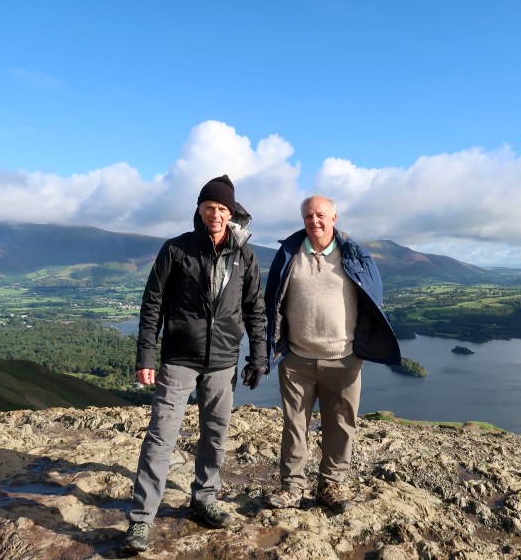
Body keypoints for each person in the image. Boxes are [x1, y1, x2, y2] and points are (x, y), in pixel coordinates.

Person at [123, 175, 267, 553]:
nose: (215, 215)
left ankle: (204, 499)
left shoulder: (244, 255)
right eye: (209, 207)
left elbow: (255, 309)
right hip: (178, 359)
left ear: (232, 212)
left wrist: (259, 356)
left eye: (221, 209)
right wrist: (145, 355)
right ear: (199, 210)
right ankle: (141, 521)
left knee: (215, 434)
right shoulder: (177, 250)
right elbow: (152, 304)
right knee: (161, 436)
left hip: (222, 361)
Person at [264, 195, 401, 513]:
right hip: (297, 357)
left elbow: (372, 299)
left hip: (343, 357)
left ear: (334, 218)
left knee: (341, 425)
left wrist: (363, 346)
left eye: (321, 214)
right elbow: (272, 304)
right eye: (309, 215)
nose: (315, 220)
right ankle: (292, 487)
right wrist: (268, 348)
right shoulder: (288, 254)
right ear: (303, 219)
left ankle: (330, 485)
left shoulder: (354, 254)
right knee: (294, 425)